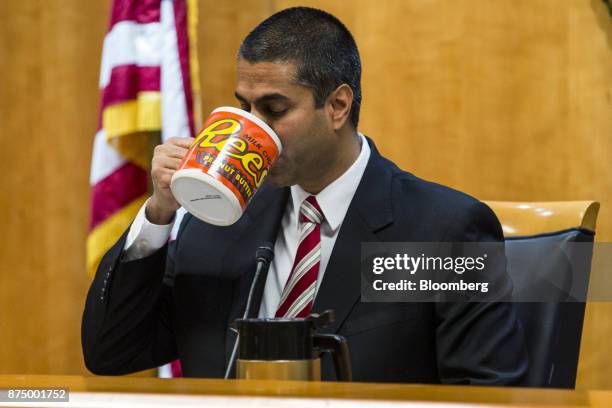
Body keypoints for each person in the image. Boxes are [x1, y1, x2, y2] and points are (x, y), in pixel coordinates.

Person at [82, 6, 528, 384]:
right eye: (245, 108)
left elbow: (485, 392)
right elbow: (112, 353)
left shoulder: (443, 232)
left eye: (274, 110)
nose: (252, 129)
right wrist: (159, 214)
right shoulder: (217, 223)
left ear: (337, 106)